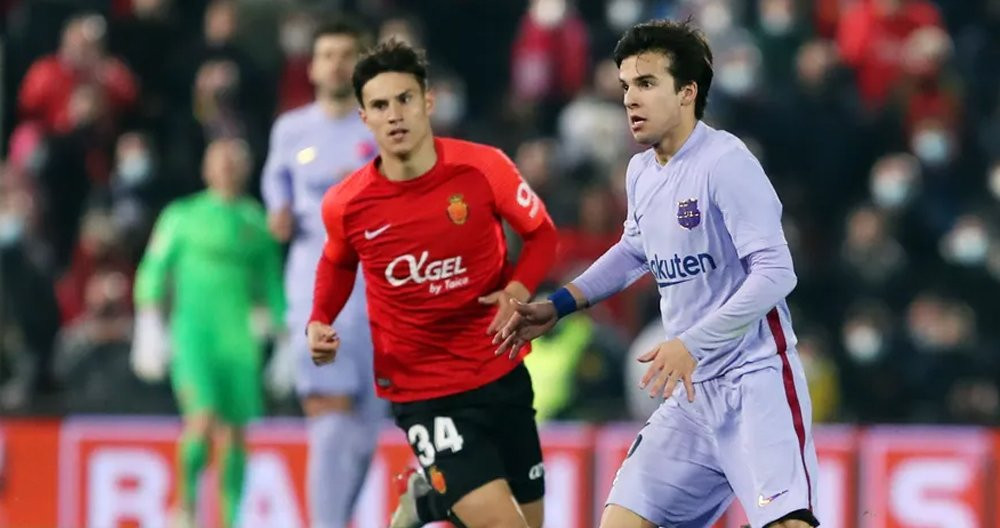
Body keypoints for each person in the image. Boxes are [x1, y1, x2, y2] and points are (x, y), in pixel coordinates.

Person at [496, 19, 820, 528]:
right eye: (626, 85)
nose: (629, 99)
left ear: (687, 92)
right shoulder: (641, 171)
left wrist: (692, 343)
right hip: (692, 395)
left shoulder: (726, 162)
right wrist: (559, 305)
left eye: (646, 84)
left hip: (754, 383)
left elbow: (776, 272)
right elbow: (633, 250)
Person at [307, 39, 558, 528]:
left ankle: (430, 500)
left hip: (500, 367)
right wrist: (320, 319)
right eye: (380, 105)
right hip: (423, 388)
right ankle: (441, 493)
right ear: (365, 117)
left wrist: (519, 290)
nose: (394, 114)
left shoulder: (483, 168)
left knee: (530, 523)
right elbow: (338, 263)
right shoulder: (348, 203)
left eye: (404, 99)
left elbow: (541, 235)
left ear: (427, 102)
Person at [260, 18, 384, 528]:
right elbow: (275, 186)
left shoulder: (381, 125)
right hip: (317, 282)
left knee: (364, 428)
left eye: (345, 53)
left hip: (378, 289)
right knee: (330, 417)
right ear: (311, 66)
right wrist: (280, 210)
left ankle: (337, 518)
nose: (335, 63)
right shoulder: (291, 129)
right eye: (326, 54)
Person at [132, 139, 285, 528]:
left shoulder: (255, 221)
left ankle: (231, 520)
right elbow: (154, 267)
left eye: (236, 161)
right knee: (201, 419)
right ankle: (185, 507)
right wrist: (149, 320)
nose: (229, 168)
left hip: (238, 340)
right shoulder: (181, 216)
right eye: (221, 161)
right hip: (193, 335)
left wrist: (285, 338)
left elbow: (270, 284)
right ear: (206, 169)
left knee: (235, 433)